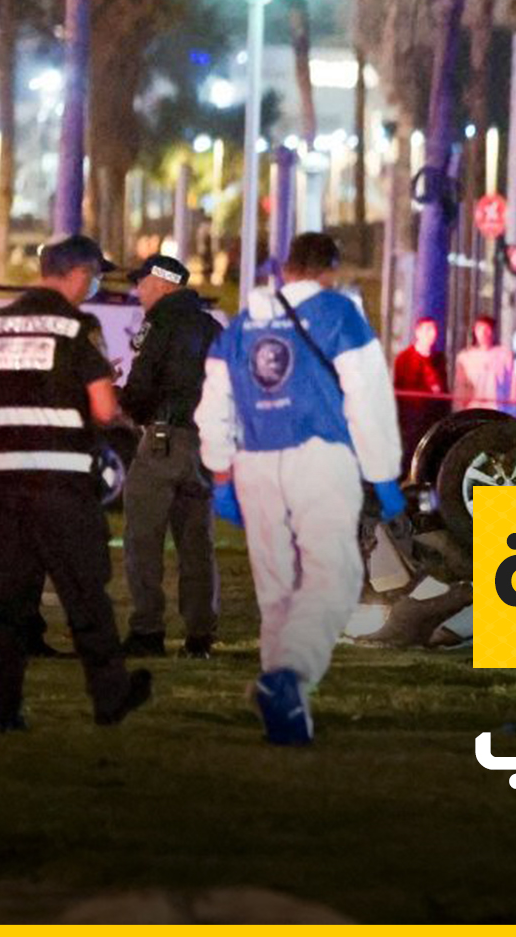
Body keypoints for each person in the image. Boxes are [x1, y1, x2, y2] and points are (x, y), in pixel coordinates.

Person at [194, 233, 405, 745]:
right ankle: (289, 676)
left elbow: (214, 403)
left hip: (255, 463)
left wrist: (220, 473)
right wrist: (383, 474)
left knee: (277, 591)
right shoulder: (338, 314)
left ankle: (285, 711)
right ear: (329, 269)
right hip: (321, 458)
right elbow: (367, 395)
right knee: (334, 576)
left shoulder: (243, 324)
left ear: (286, 268)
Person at [0, 234, 153, 733]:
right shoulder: (76, 327)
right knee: (85, 592)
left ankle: (0, 709)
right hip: (59, 482)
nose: (95, 286)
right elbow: (103, 408)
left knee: (5, 599)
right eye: (95, 277)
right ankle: (111, 696)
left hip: (0, 482)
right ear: (79, 273)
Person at [118, 254, 225, 659]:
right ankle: (200, 636)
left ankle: (147, 631)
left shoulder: (159, 322)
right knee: (197, 544)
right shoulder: (212, 327)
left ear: (163, 284)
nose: (138, 291)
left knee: (143, 539)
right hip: (205, 446)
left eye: (142, 283)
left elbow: (143, 384)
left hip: (164, 442)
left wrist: (128, 406)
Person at [392, 316, 447, 466]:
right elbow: (399, 390)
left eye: (434, 329)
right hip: (411, 419)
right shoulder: (404, 359)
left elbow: (444, 390)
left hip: (432, 419)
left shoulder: (439, 359)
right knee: (409, 456)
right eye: (427, 329)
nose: (432, 334)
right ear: (418, 332)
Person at [453, 314, 516, 412]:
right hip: (473, 410)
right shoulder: (465, 357)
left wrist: (512, 410)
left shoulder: (504, 355)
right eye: (479, 329)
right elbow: (460, 386)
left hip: (497, 410)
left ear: (492, 331)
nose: (483, 333)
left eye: (487, 329)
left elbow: (511, 385)